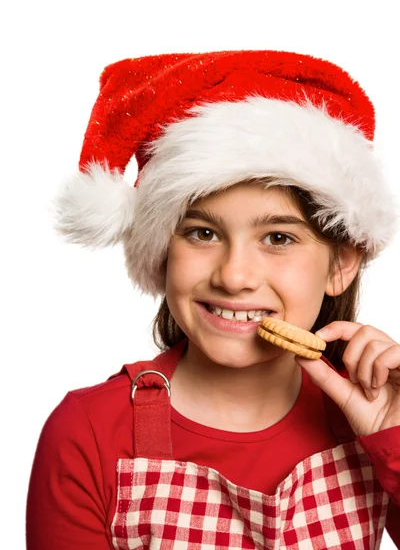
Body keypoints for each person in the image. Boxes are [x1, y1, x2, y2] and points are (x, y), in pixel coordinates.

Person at [26, 50, 400, 549]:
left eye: (279, 238)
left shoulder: (373, 422)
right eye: (202, 233)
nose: (235, 276)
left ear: (341, 265)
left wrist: (392, 438)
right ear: (162, 250)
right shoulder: (88, 433)